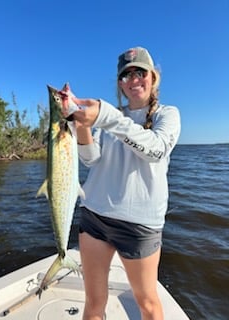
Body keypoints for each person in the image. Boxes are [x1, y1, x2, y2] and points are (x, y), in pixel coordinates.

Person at [73, 46, 181, 320]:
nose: (134, 80)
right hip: (94, 216)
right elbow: (91, 159)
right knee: (94, 302)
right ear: (120, 83)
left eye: (140, 73)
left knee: (147, 303)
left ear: (153, 77)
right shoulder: (106, 120)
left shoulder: (167, 115)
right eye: (126, 75)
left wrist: (106, 117)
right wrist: (83, 126)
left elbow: (155, 149)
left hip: (139, 224)